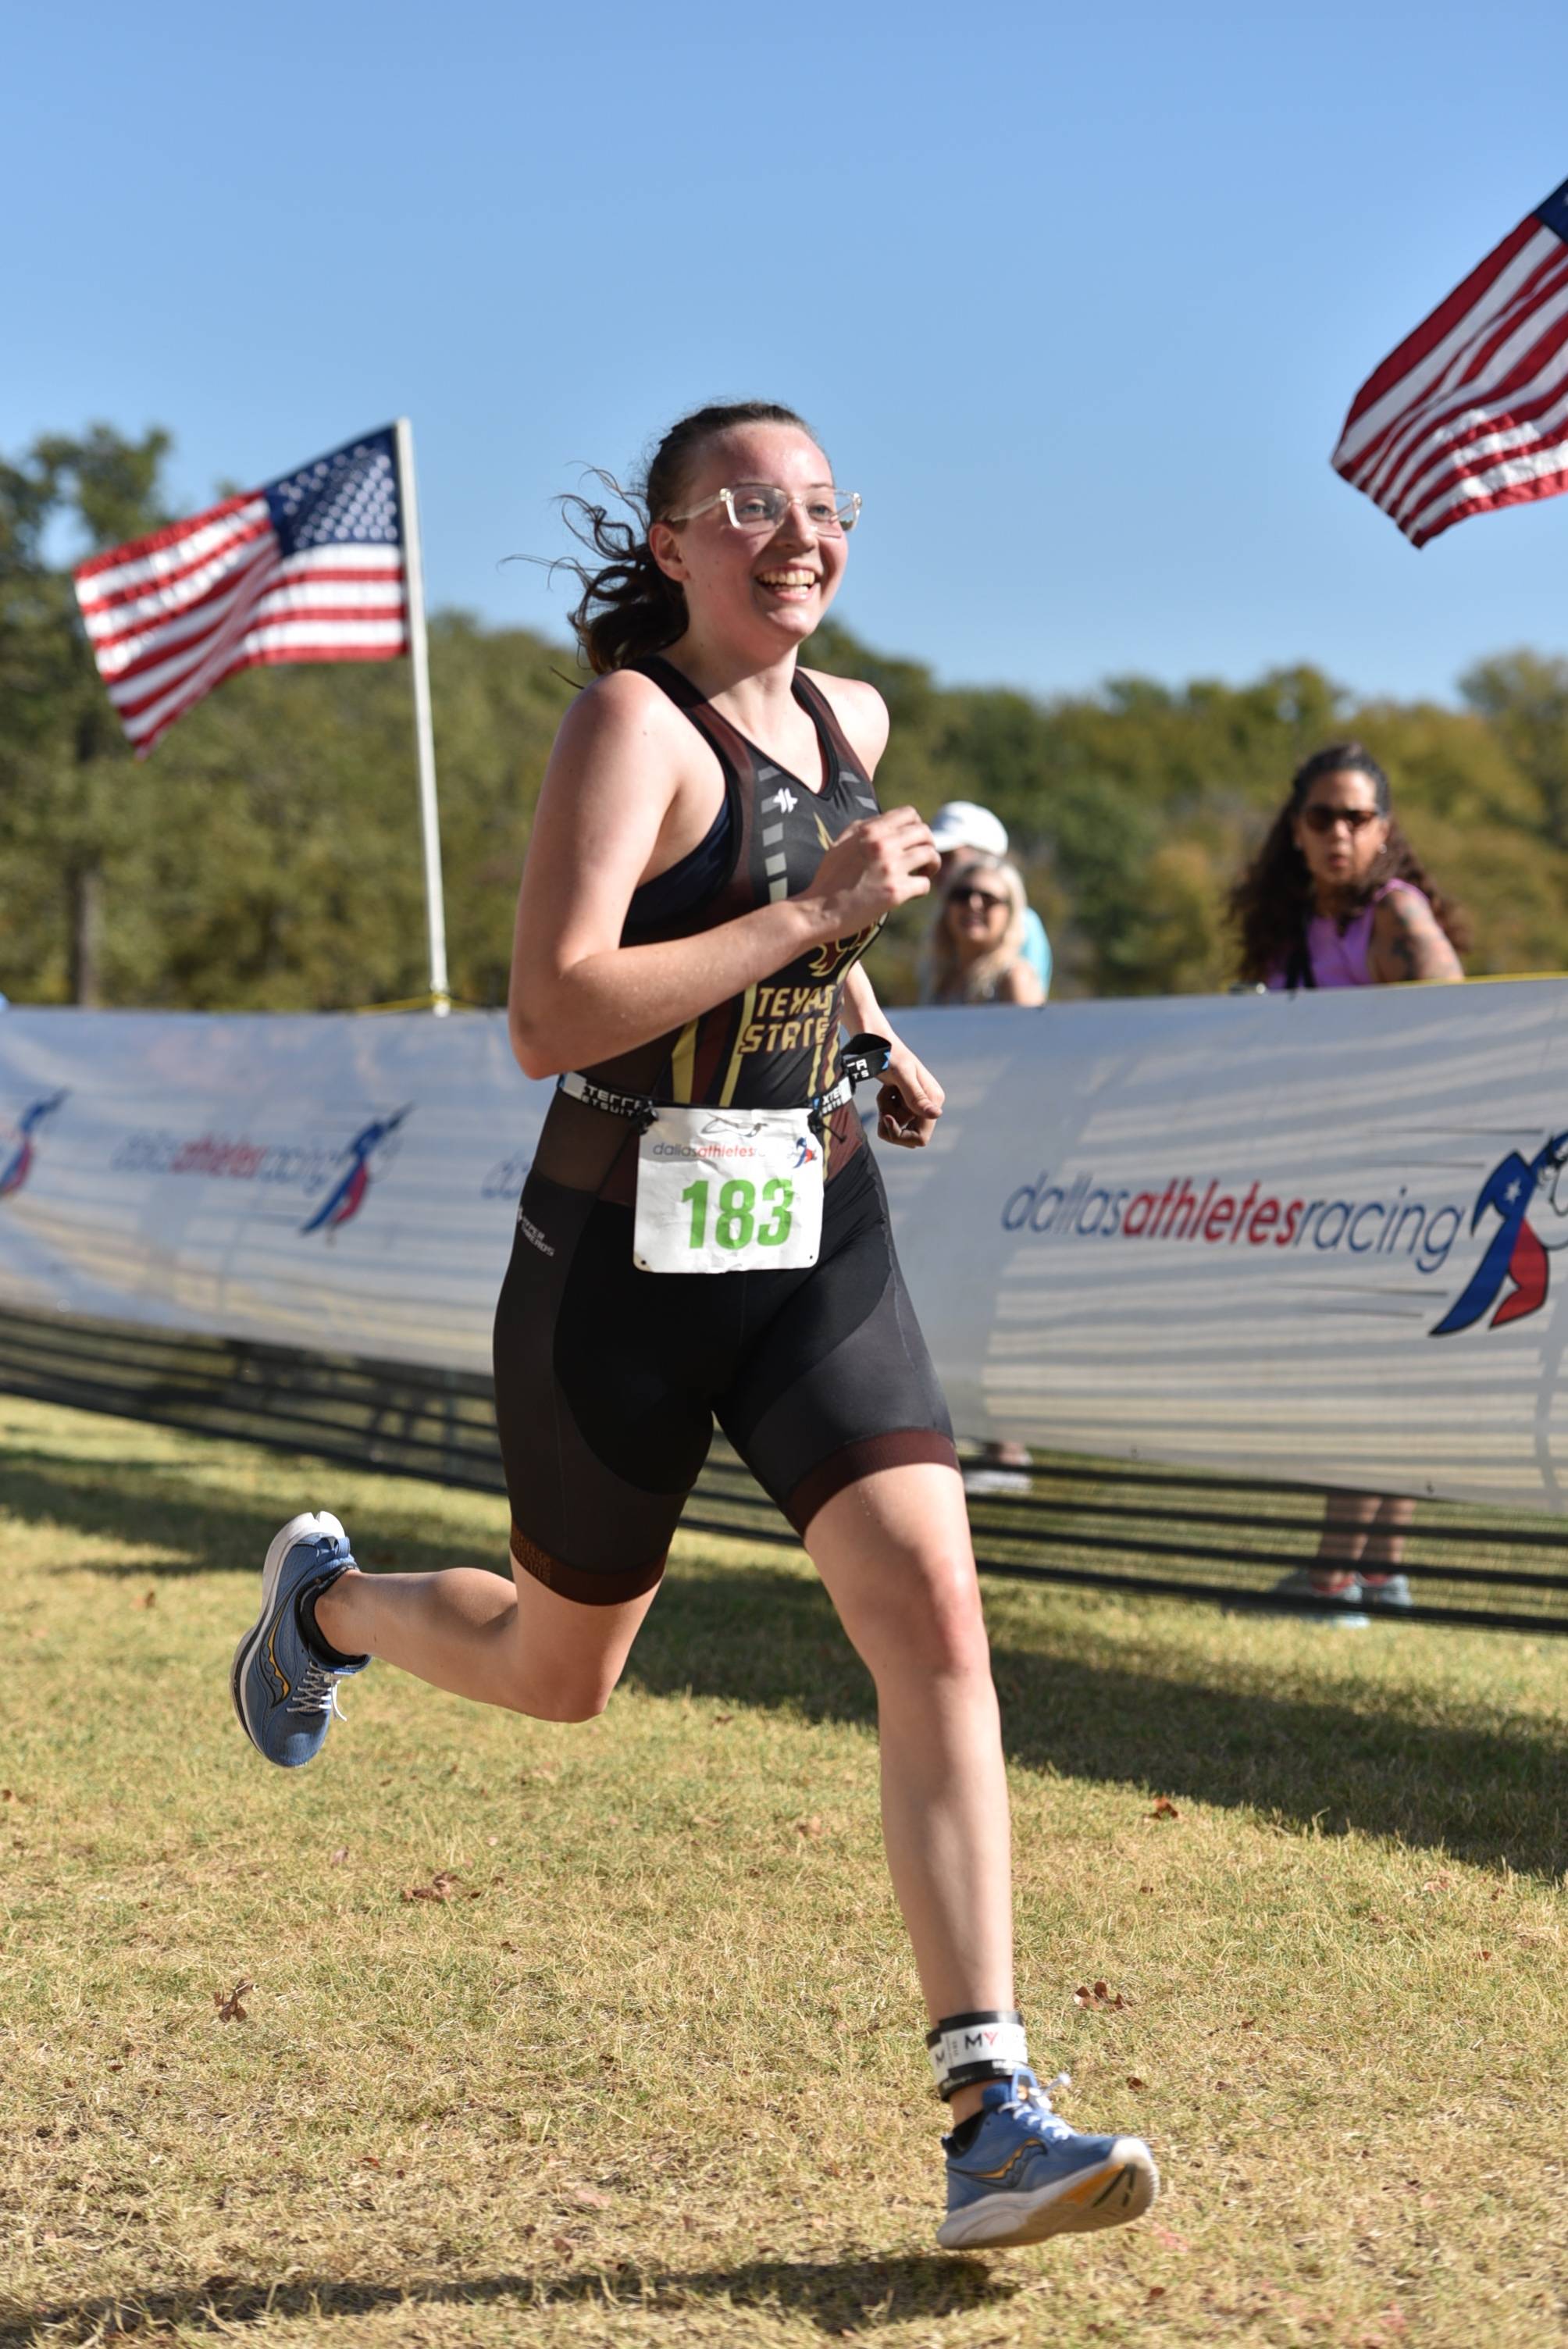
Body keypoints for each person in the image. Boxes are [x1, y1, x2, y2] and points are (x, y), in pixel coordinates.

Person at [230, 400, 1156, 2251]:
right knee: (561, 1672)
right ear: (670, 544)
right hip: (617, 1254)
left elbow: (805, 932)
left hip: (809, 1228)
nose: (793, 533)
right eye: (749, 506)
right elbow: (551, 1011)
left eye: (821, 505)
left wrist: (864, 1026)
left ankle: (989, 2105)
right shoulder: (623, 728)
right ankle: (327, 1602)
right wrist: (815, 910)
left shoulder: (850, 720)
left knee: (936, 1623)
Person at [1231, 740, 1466, 1621]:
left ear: (1385, 830)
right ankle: (1379, 1574)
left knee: (1365, 1372)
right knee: (1382, 1372)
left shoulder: (1397, 914)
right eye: (1322, 815)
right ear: (1295, 830)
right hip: (1339, 1176)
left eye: (1357, 817)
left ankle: (1336, 1578)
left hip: (1405, 1178)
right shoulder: (1296, 928)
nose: (1339, 832)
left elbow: (1454, 1019)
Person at [929, 803, 1051, 997]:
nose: (937, 867)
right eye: (935, 857)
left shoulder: (1024, 924)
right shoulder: (942, 928)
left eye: (950, 857)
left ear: (985, 855)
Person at [923, 854, 1046, 1007]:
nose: (973, 904)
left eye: (988, 898)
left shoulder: (1014, 978)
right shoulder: (939, 979)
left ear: (1010, 913)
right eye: (962, 895)